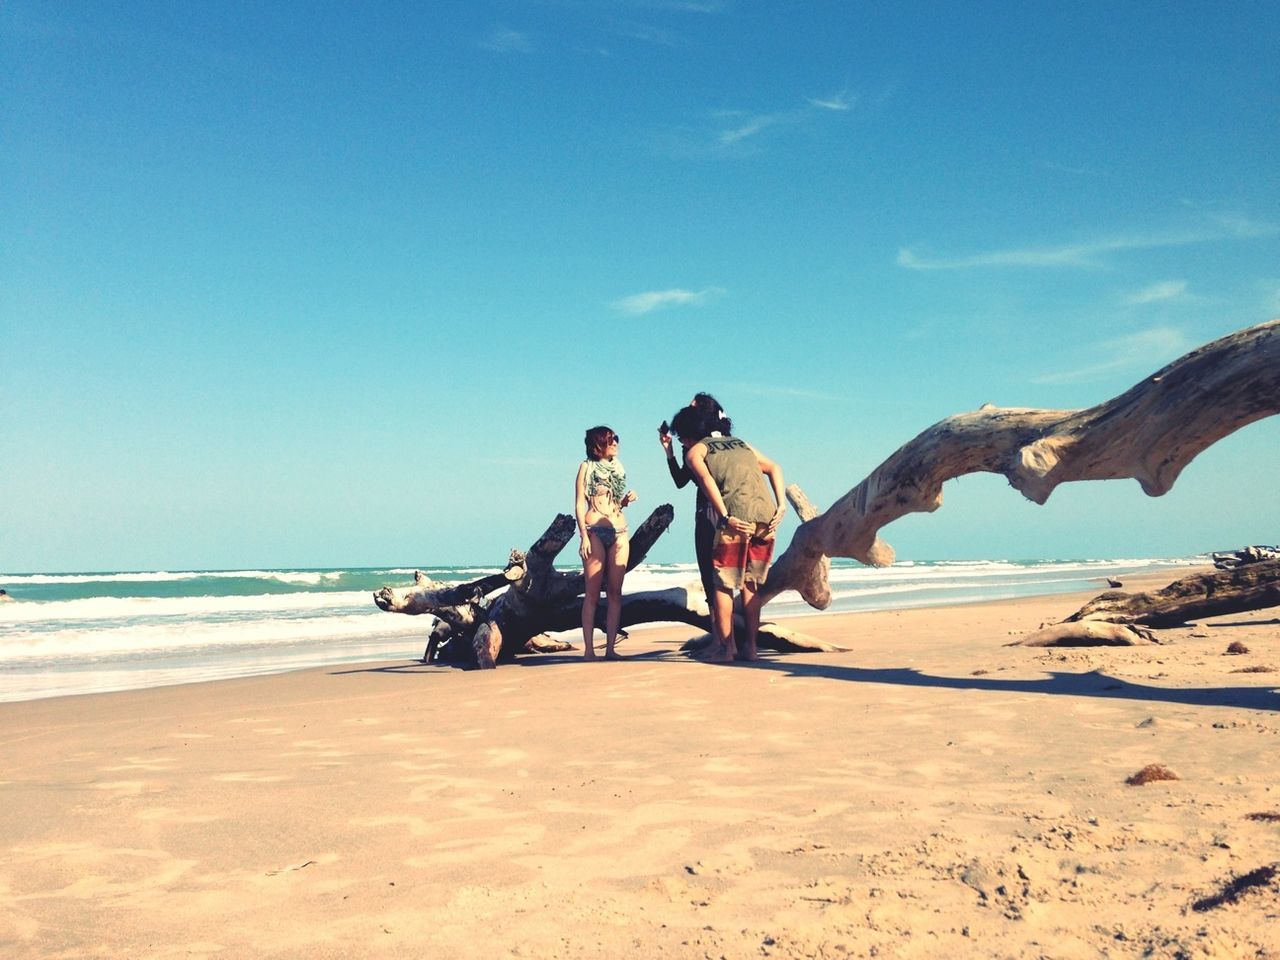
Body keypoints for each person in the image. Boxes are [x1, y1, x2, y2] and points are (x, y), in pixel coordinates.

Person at [670, 405, 785, 662]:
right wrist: (781, 505)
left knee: (722, 585)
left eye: (681, 437)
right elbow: (774, 467)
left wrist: (725, 517)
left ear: (688, 435)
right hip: (765, 517)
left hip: (736, 520)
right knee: (750, 584)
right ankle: (751, 648)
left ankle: (726, 649)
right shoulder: (741, 444)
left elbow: (707, 483)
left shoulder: (696, 452)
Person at [658, 394, 730, 608]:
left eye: (693, 407)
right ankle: (723, 635)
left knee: (720, 573)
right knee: (716, 574)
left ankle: (727, 635)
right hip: (711, 508)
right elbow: (681, 480)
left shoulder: (714, 443)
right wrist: (669, 451)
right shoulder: (690, 445)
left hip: (715, 509)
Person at [575, 426, 637, 660]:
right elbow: (580, 503)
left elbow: (615, 503)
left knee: (614, 593)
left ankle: (611, 648)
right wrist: (582, 536)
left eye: (616, 439)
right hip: (594, 531)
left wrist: (626, 500)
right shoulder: (586, 467)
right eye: (611, 440)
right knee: (592, 593)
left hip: (620, 529)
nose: (615, 443)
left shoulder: (618, 468)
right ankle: (589, 650)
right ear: (598, 444)